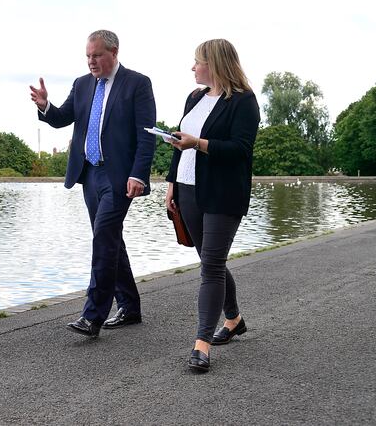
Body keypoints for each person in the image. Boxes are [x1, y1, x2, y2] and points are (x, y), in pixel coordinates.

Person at [30, 29, 156, 338]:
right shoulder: (82, 84)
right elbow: (62, 118)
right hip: (90, 174)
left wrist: (138, 174)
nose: (91, 61)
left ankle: (92, 316)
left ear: (114, 53)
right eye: (88, 56)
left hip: (119, 177)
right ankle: (130, 306)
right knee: (110, 240)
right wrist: (46, 106)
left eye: (97, 55)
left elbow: (146, 136)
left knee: (103, 239)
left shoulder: (137, 84)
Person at [165, 39, 260, 372]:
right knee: (210, 260)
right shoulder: (194, 98)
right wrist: (171, 186)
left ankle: (201, 343)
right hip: (188, 190)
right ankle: (233, 319)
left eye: (197, 62)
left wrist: (199, 144)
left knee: (212, 266)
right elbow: (180, 145)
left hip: (223, 194)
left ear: (215, 64)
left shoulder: (244, 102)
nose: (192, 68)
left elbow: (240, 149)